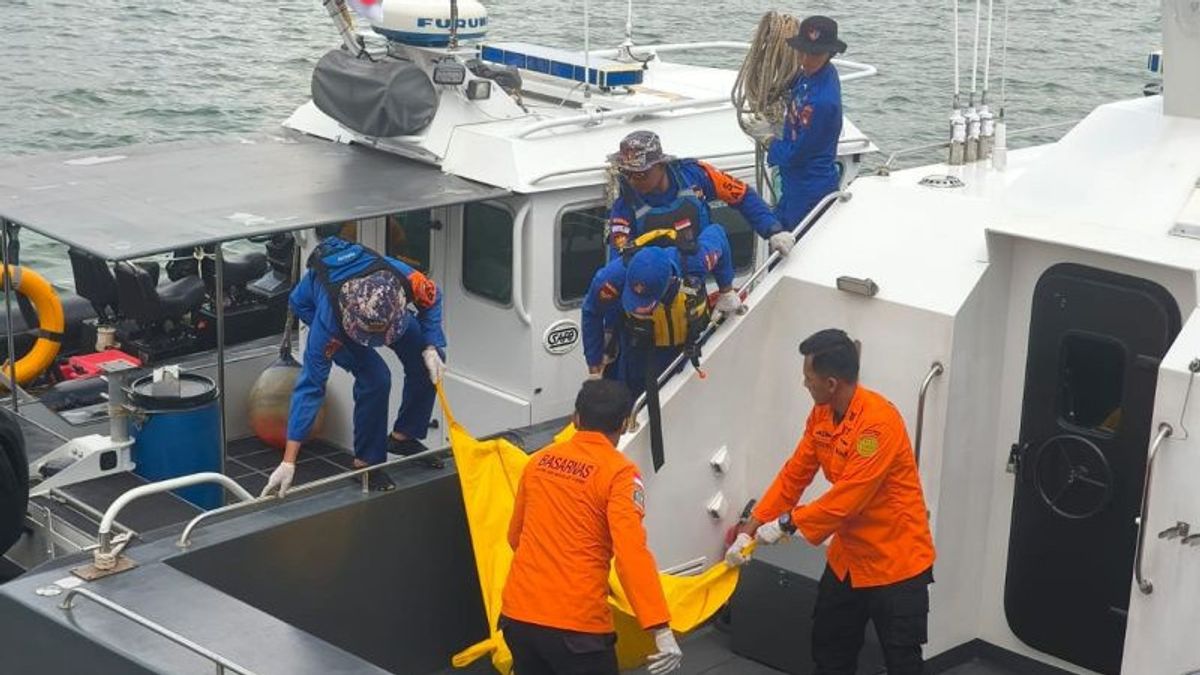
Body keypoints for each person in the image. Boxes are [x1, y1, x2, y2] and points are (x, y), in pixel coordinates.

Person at [725, 329, 935, 674]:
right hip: (848, 560)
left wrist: (786, 523)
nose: (804, 384)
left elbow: (849, 498)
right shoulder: (821, 415)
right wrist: (750, 528)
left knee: (902, 661)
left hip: (896, 562)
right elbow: (795, 474)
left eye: (809, 378)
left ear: (831, 383)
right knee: (830, 649)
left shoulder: (877, 425)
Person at [501, 379, 682, 675]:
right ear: (625, 424)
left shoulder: (538, 462)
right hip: (577, 629)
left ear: (576, 419)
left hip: (518, 619)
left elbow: (515, 537)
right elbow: (630, 556)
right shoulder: (620, 474)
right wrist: (660, 629)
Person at [262, 226, 447, 496]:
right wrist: (288, 461)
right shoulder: (328, 326)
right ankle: (366, 464)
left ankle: (403, 437)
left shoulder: (402, 278)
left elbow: (433, 297)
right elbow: (310, 387)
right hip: (339, 319)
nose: (381, 342)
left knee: (430, 359)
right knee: (376, 377)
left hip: (381, 313)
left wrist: (432, 344)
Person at [580, 224, 742, 396]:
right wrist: (594, 364)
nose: (639, 310)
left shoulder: (698, 260)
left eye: (644, 305)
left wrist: (726, 289)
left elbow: (718, 232)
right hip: (639, 352)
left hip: (691, 345)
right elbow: (592, 311)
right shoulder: (610, 278)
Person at [606, 130, 795, 259]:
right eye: (627, 173)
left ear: (661, 165)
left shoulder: (695, 174)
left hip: (700, 272)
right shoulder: (625, 206)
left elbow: (742, 195)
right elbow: (619, 257)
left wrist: (773, 231)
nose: (632, 181)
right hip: (652, 288)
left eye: (640, 174)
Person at [761, 16, 846, 233]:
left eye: (814, 54)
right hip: (794, 185)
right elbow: (797, 82)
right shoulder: (817, 73)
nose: (806, 59)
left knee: (797, 246)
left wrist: (769, 141)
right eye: (803, 51)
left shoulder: (823, 103)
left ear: (829, 54)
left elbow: (797, 154)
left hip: (809, 190)